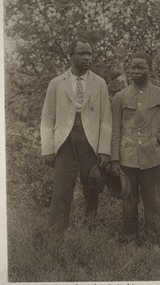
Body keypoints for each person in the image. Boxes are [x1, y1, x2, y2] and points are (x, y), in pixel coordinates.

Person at [110, 52, 160, 241]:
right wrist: (114, 159)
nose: (136, 71)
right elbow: (115, 130)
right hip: (127, 157)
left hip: (152, 157)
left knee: (152, 202)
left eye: (141, 67)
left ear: (150, 69)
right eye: (133, 67)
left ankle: (151, 241)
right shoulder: (120, 97)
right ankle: (130, 238)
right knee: (128, 200)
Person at [40, 38, 112, 231]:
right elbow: (47, 118)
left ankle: (90, 232)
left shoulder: (99, 83)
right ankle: (56, 234)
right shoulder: (56, 83)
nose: (87, 58)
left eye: (89, 54)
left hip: (90, 141)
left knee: (92, 186)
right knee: (61, 189)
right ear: (70, 56)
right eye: (81, 53)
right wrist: (48, 149)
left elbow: (106, 120)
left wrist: (104, 150)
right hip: (65, 140)